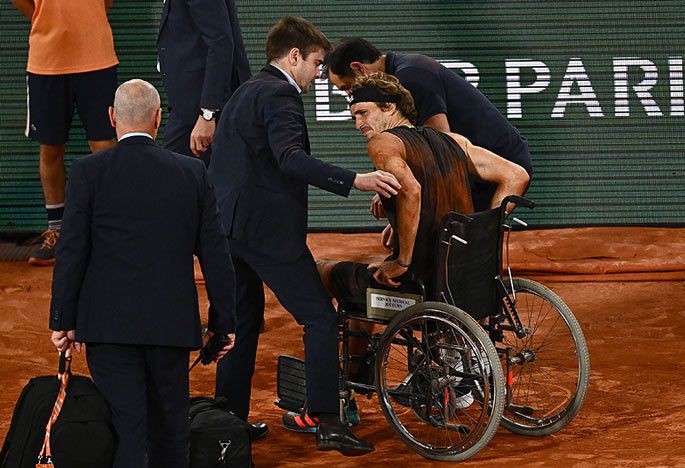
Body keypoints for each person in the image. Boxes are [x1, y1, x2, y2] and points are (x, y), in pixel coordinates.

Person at [281, 73, 530, 427]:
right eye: (354, 116)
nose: (358, 124)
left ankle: (344, 392)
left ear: (390, 108)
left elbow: (412, 190)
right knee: (363, 281)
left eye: (364, 113)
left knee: (321, 271)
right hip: (464, 278)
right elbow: (516, 175)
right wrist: (479, 234)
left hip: (418, 287)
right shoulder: (453, 142)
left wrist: (403, 260)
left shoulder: (385, 143)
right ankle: (369, 357)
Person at [208, 17, 401, 456]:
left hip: (228, 231)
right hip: (266, 234)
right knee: (318, 317)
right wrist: (357, 179)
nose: (318, 74)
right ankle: (327, 422)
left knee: (242, 323)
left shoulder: (246, 91)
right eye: (315, 63)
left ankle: (228, 423)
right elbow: (291, 159)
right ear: (293, 57)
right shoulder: (280, 94)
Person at [49, 79, 237, 468]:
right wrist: (223, 323)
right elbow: (217, 256)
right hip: (170, 327)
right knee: (171, 428)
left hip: (107, 327)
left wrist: (63, 320)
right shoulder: (191, 173)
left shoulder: (87, 171)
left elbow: (71, 252)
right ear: (157, 118)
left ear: (112, 118)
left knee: (127, 428)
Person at [324, 38, 533, 211]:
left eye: (347, 88)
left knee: (468, 246)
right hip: (470, 166)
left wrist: (407, 204)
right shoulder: (401, 75)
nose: (351, 95)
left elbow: (440, 147)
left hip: (499, 164)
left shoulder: (412, 75)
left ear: (358, 68)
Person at [12, 0, 119, 266]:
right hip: (47, 59)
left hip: (97, 56)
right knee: (50, 148)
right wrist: (42, 16)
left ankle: (108, 232)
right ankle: (57, 231)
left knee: (104, 144)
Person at [157, 0, 251, 164]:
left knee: (171, 178)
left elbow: (221, 42)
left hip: (201, 108)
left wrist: (208, 114)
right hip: (188, 106)